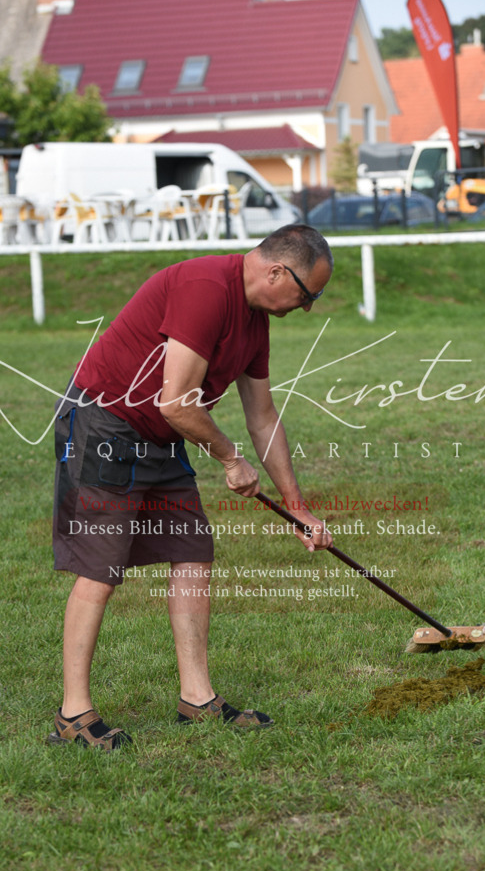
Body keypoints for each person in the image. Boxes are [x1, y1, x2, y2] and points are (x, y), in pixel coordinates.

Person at [48, 224, 334, 750]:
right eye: (305, 294)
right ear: (276, 271)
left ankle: (197, 699)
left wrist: (299, 507)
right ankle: (73, 714)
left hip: (163, 433)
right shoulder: (206, 288)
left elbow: (263, 417)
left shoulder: (254, 321)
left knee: (192, 552)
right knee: (101, 565)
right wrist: (230, 459)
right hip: (105, 422)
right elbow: (176, 401)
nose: (304, 307)